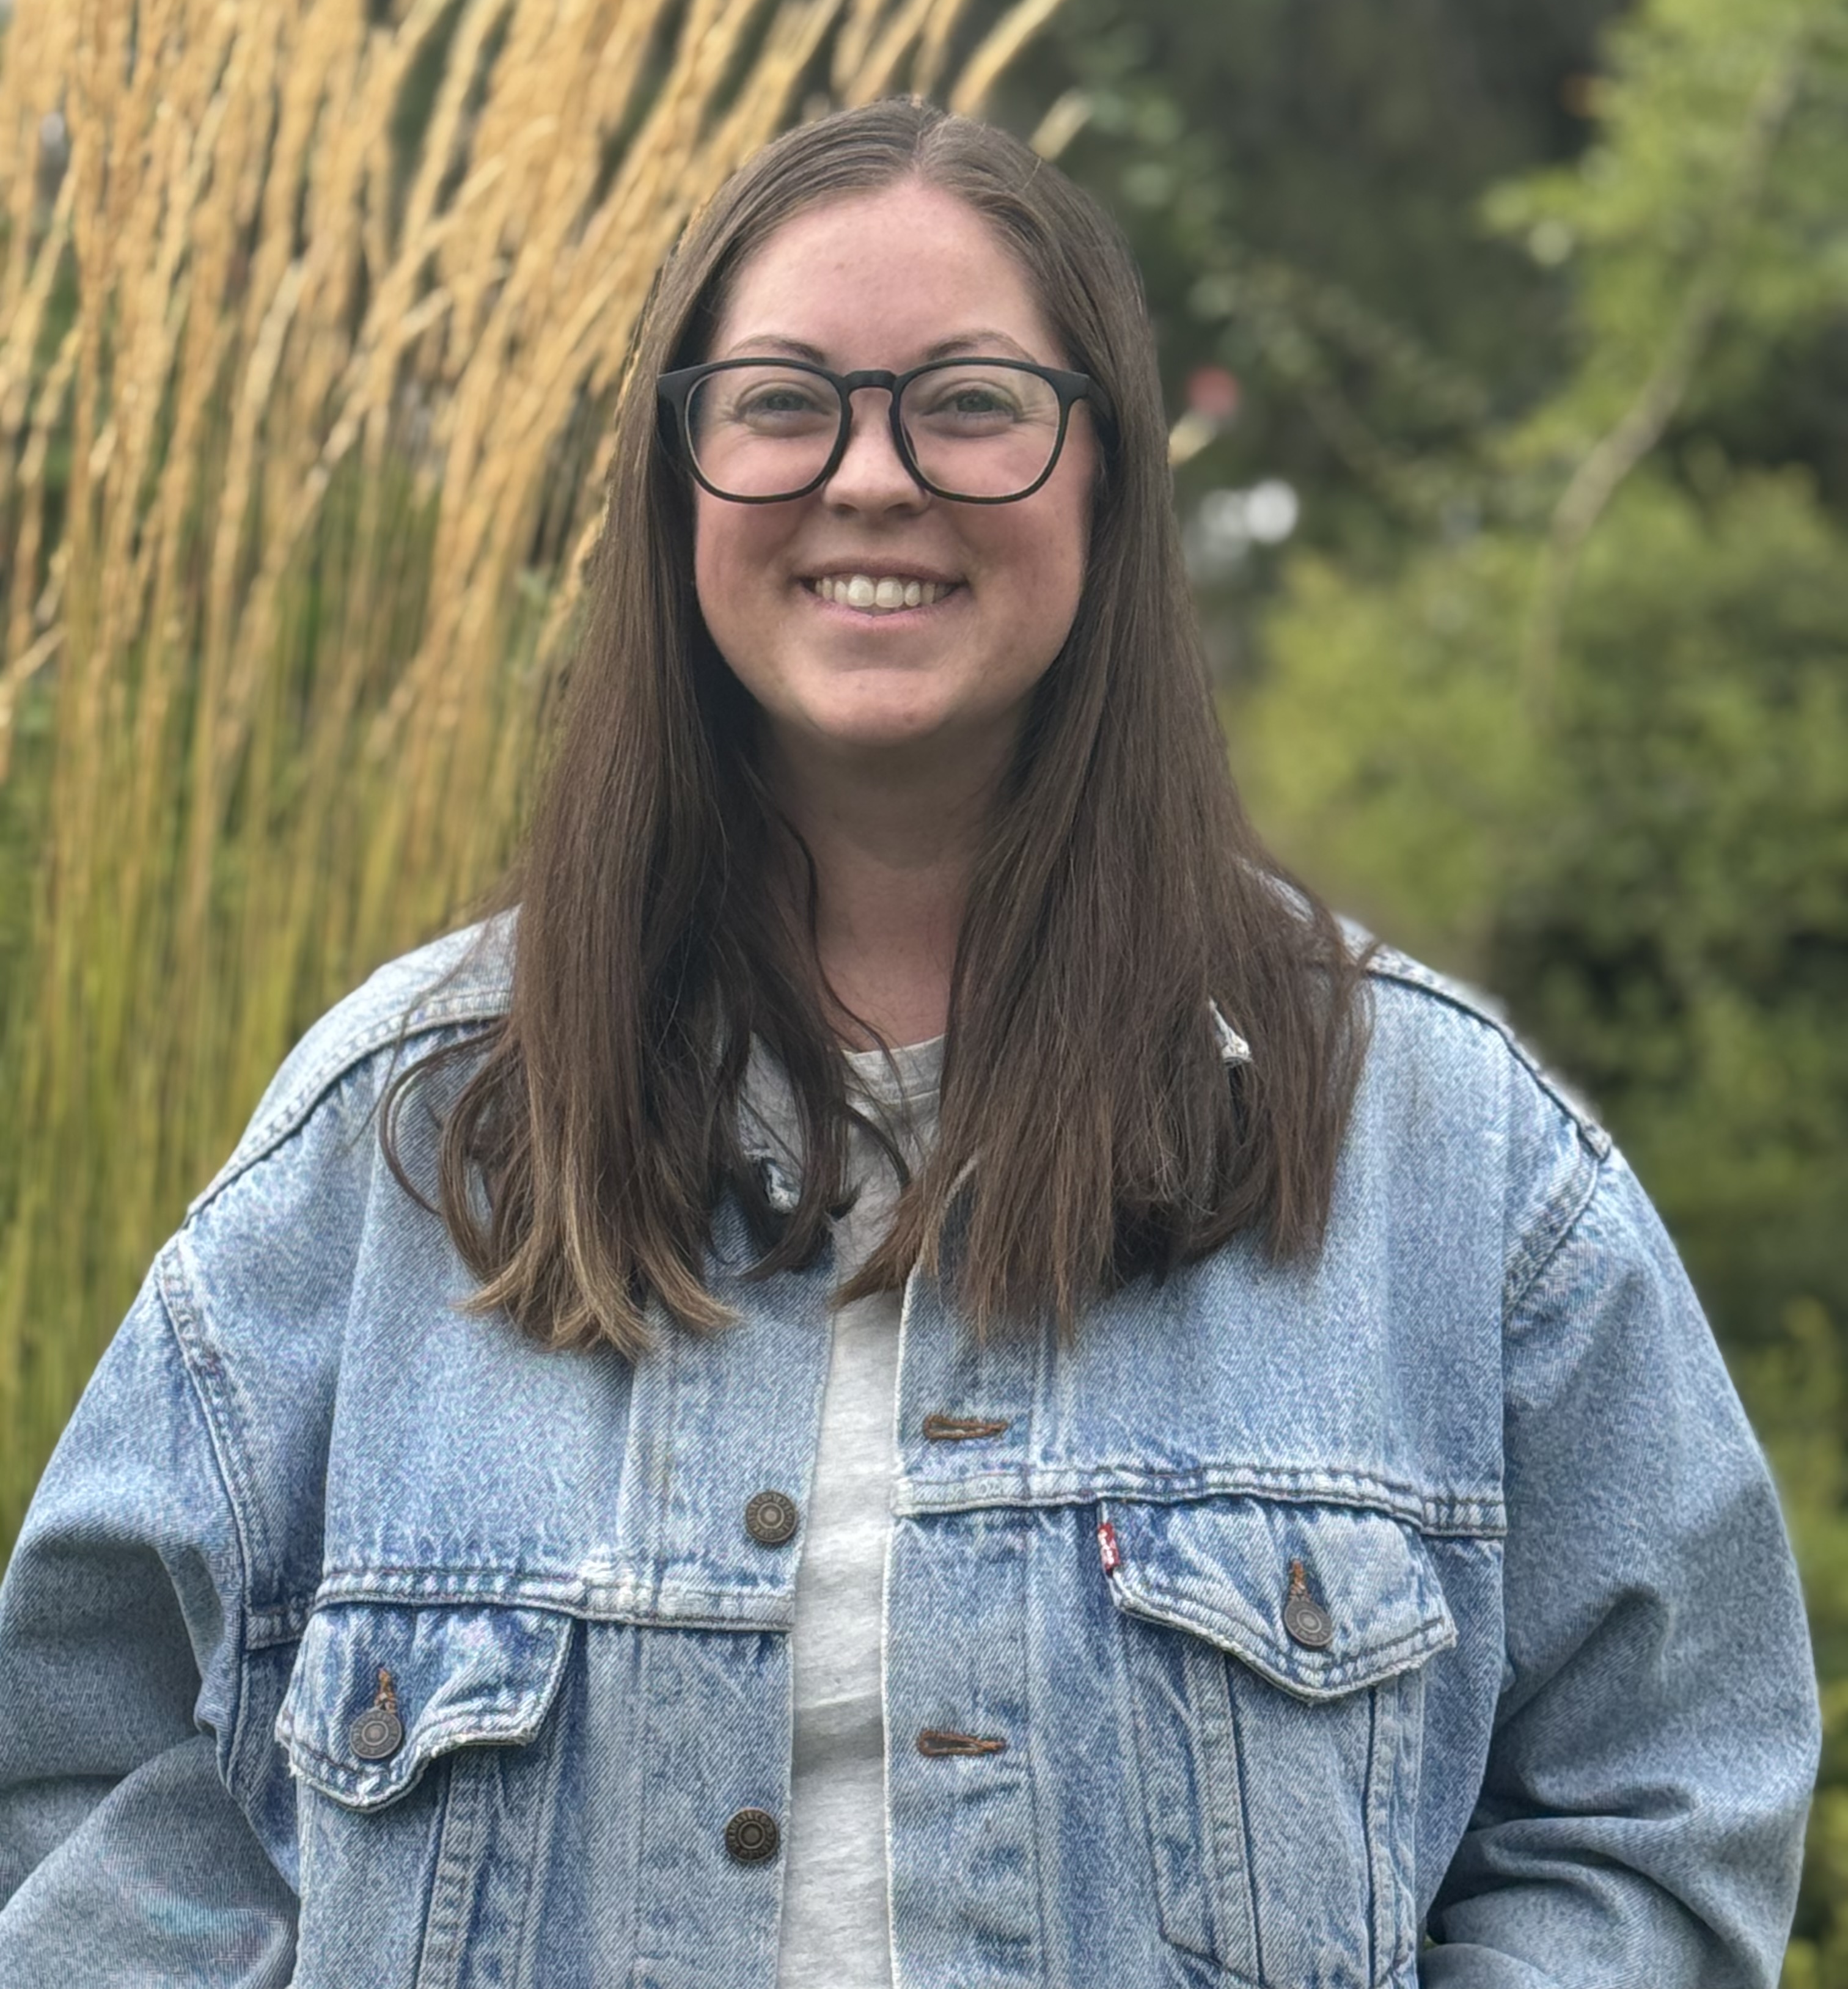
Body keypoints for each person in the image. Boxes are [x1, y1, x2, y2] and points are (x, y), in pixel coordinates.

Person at [0, 98, 1819, 1988]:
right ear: (677, 483)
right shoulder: (395, 1140)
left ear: (1103, 479)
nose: (871, 477)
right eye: (783, 403)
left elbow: (1658, 1808)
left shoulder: (1442, 1158)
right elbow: (84, 1790)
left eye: (969, 403)